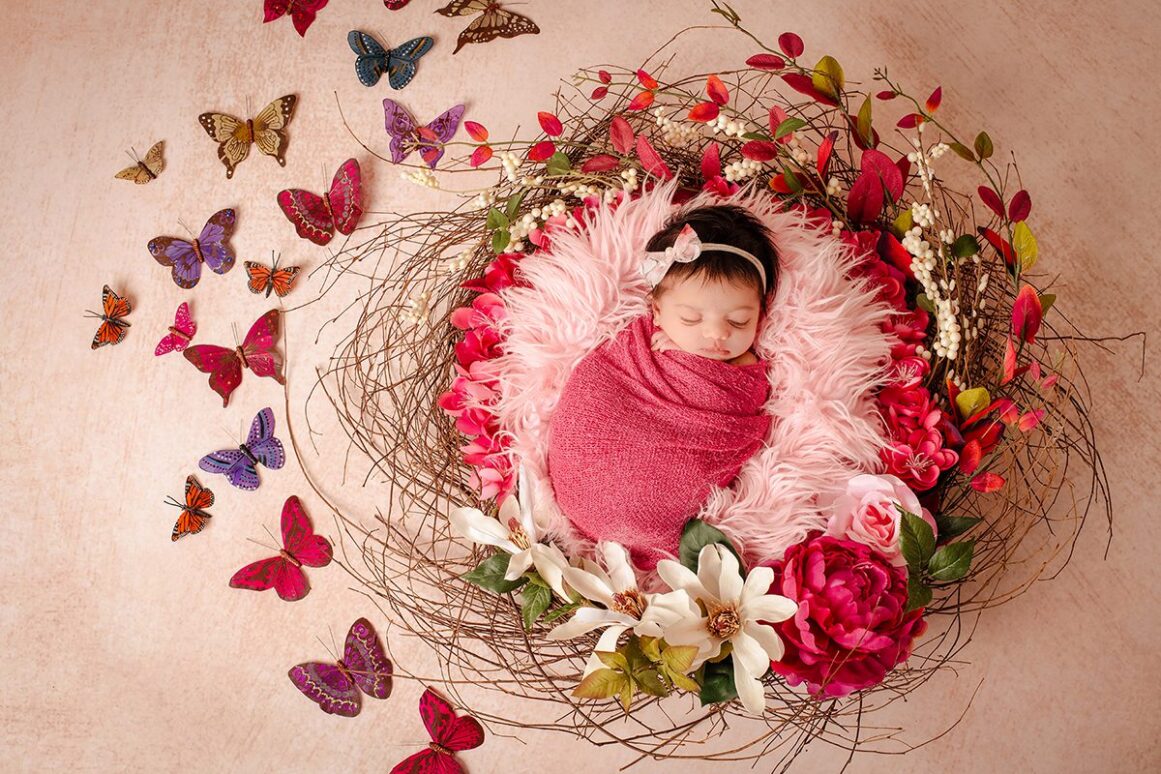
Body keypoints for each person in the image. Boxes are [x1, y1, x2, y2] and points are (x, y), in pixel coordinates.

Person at [546, 203, 781, 570]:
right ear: (656, 312)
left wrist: (700, 361)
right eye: (690, 318)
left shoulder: (743, 365)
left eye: (739, 321)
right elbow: (599, 387)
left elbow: (747, 392)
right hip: (601, 452)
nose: (716, 334)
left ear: (761, 314)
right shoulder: (635, 346)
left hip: (669, 473)